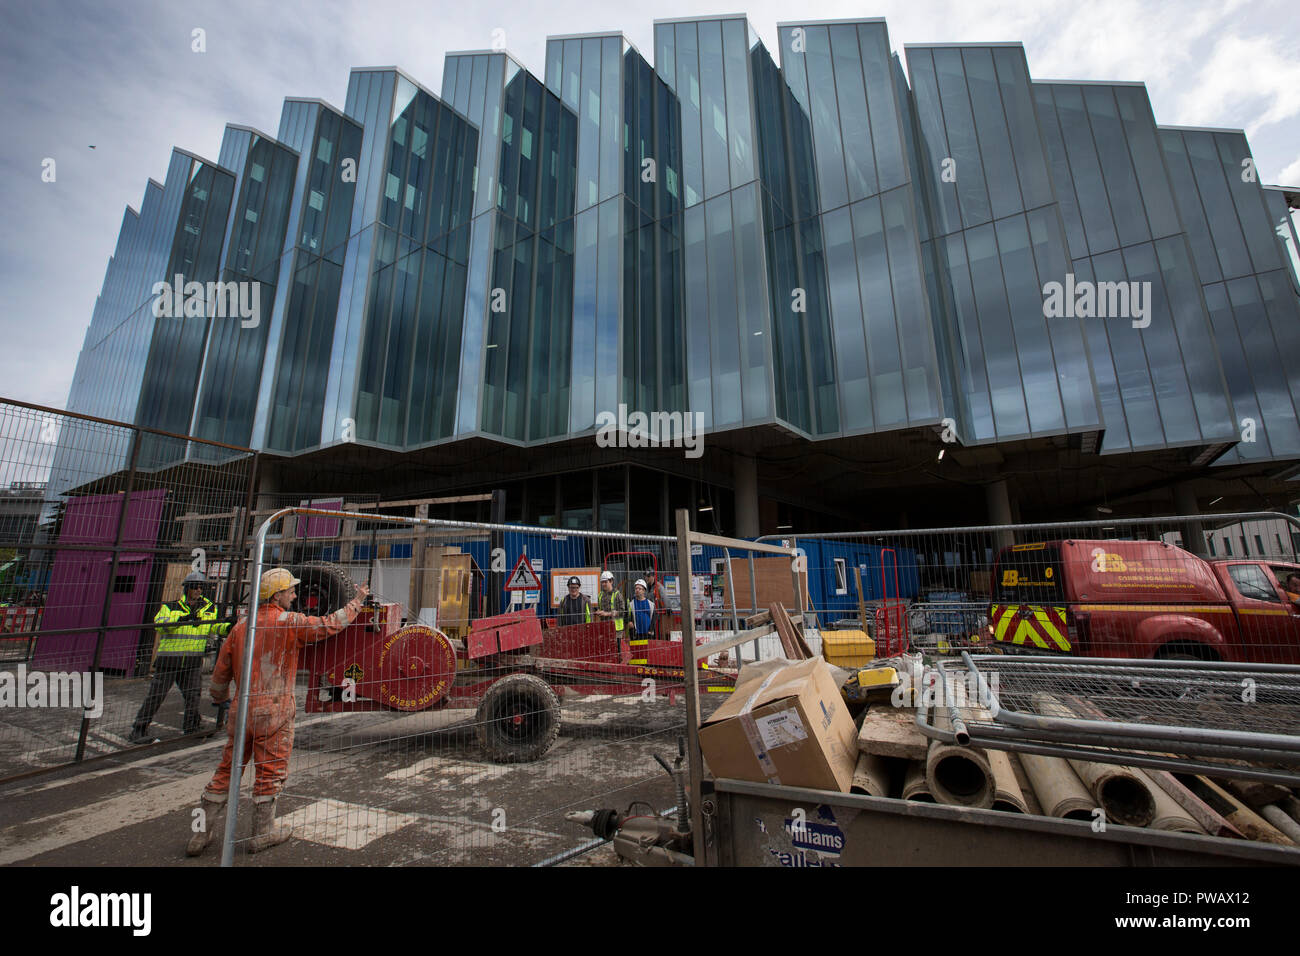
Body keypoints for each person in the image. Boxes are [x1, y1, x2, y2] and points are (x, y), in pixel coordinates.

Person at [186, 567, 369, 857]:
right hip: (274, 712)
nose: (295, 595)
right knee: (269, 772)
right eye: (290, 591)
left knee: (226, 771)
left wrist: (221, 700)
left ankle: (200, 835)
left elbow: (219, 676)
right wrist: (358, 600)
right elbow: (331, 623)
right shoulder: (289, 622)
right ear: (277, 594)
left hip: (241, 712)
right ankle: (262, 832)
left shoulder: (241, 627)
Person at [129, 572, 232, 744]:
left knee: (193, 695)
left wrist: (229, 626)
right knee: (156, 695)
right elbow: (160, 625)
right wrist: (183, 619)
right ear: (186, 588)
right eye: (194, 587)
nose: (198, 590)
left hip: (192, 660)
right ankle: (139, 729)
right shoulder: (171, 607)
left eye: (201, 587)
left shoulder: (209, 608)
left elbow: (214, 627)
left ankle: (191, 726)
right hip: (170, 659)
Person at [593, 570, 626, 634]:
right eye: (602, 582)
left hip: (616, 629)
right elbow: (600, 609)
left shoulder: (617, 594)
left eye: (605, 582)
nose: (603, 584)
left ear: (611, 581)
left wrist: (607, 614)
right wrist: (599, 612)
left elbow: (622, 612)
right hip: (604, 628)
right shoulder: (600, 595)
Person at [643, 568, 668, 639]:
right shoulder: (645, 587)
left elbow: (664, 597)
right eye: (645, 576)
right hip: (647, 612)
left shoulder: (658, 586)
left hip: (656, 613)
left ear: (653, 576)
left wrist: (668, 607)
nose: (646, 578)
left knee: (656, 633)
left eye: (648, 576)